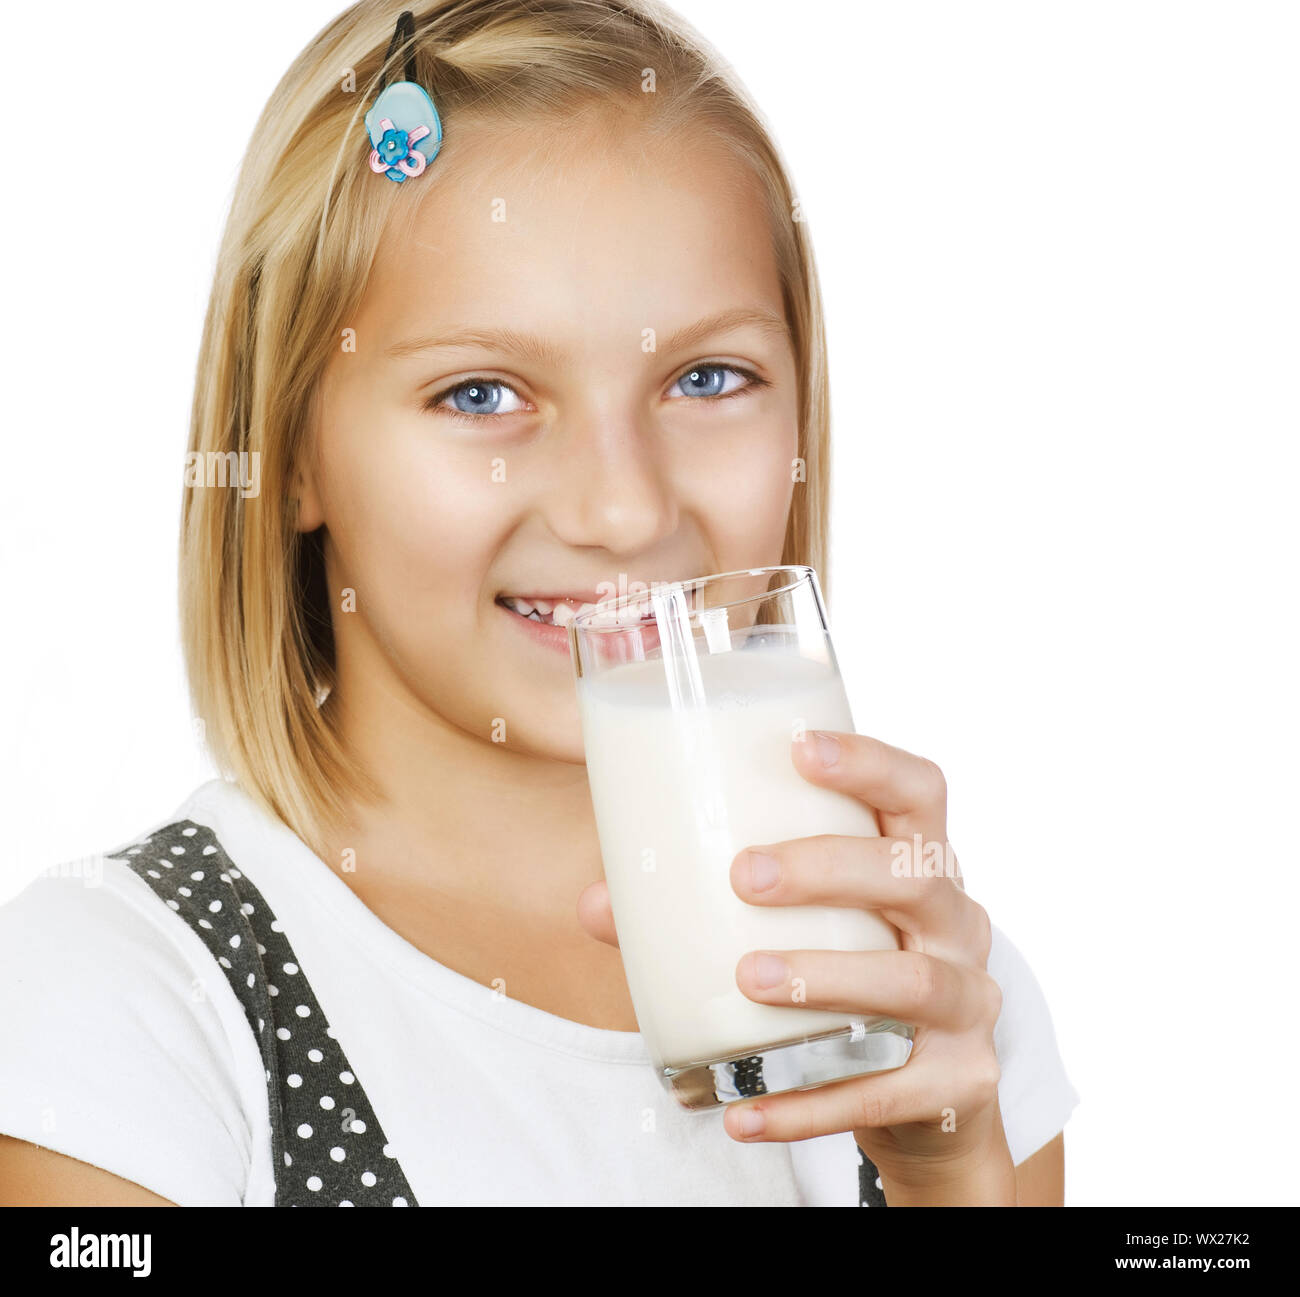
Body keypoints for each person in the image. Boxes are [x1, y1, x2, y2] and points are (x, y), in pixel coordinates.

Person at [0, 0, 1078, 1206]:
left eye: (707, 377)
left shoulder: (929, 999)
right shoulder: (125, 1006)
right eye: (479, 394)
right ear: (290, 452)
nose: (621, 511)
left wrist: (957, 1180)